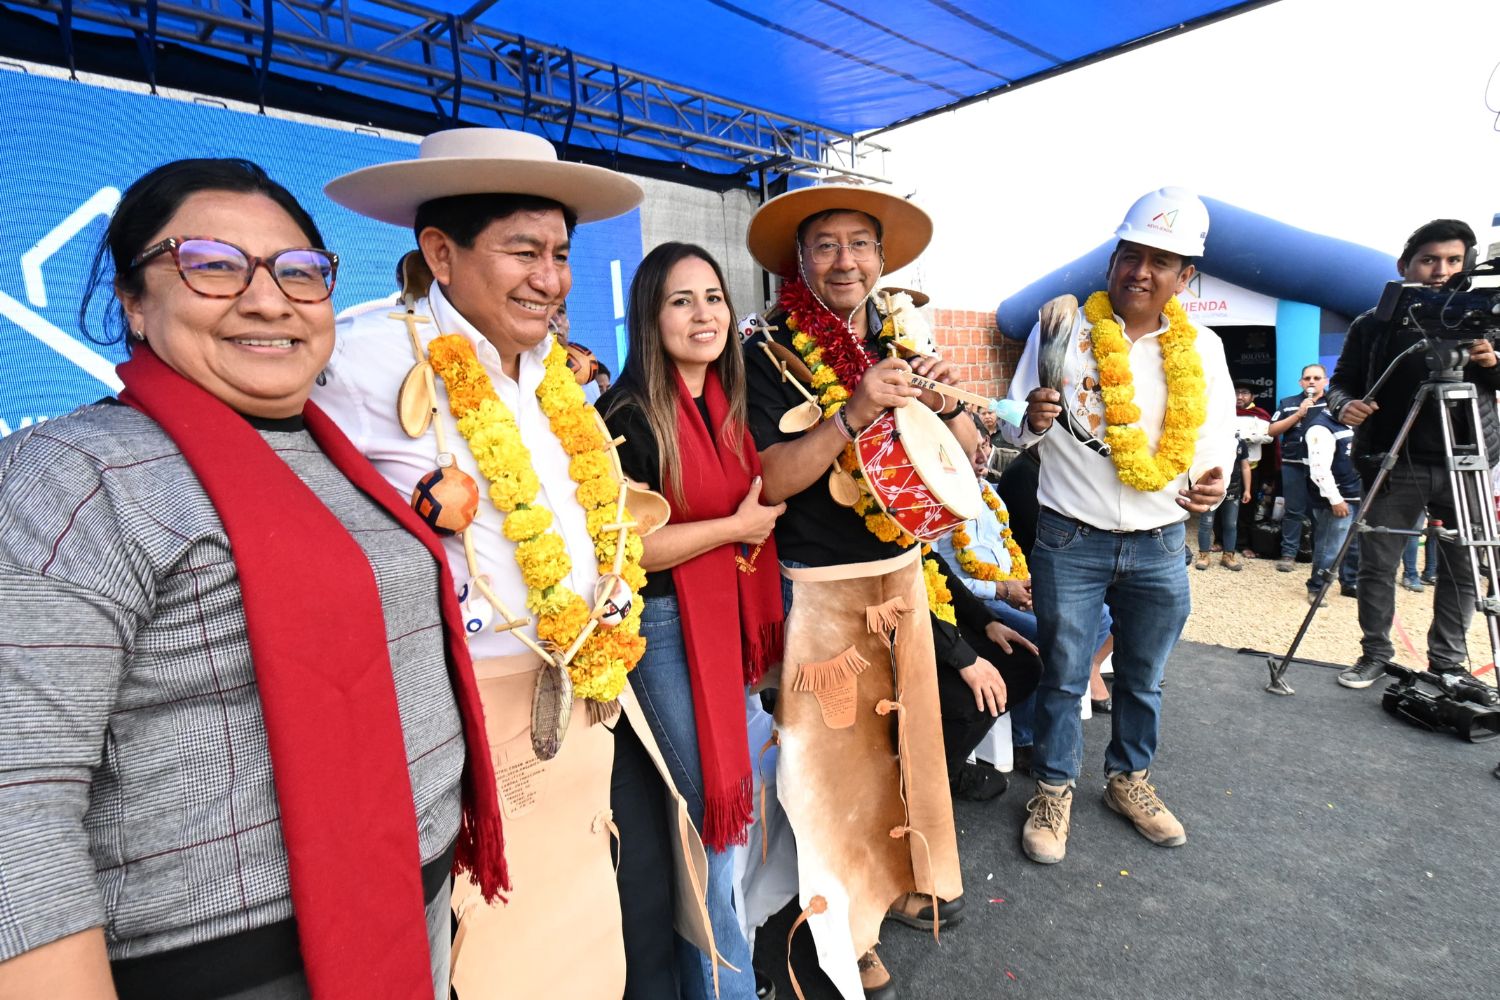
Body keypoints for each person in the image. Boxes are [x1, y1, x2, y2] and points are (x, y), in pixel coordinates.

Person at [0, 158, 506, 999]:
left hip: (401, 919)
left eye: (299, 272)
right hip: (232, 964)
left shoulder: (332, 451)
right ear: (132, 298)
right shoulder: (76, 473)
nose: (268, 299)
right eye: (211, 263)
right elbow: (16, 798)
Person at [316, 128, 716, 998]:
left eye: (563, 254)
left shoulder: (554, 377)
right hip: (457, 725)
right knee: (492, 948)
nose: (551, 278)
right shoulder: (354, 361)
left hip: (588, 700)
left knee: (612, 917)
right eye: (524, 251)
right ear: (439, 253)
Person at [742, 183, 967, 1000]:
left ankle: (904, 880)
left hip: (902, 578)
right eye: (826, 245)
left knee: (903, 753)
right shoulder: (765, 348)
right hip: (821, 595)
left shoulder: (898, 338)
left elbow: (960, 464)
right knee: (829, 779)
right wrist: (853, 414)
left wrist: (944, 406)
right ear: (800, 261)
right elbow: (770, 478)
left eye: (860, 245)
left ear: (883, 258)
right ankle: (845, 933)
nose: (845, 261)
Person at [1005, 186, 1235, 865]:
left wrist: (1213, 482)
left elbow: (1215, 437)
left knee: (1143, 676)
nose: (1141, 271)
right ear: (1113, 260)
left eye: (1161, 261)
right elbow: (1018, 425)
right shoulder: (1060, 330)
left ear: (1184, 277)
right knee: (1066, 674)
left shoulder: (1206, 350)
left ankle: (1128, 780)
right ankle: (1053, 789)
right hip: (1068, 537)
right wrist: (1031, 419)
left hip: (1162, 541)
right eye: (1131, 255)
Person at [598, 242, 785, 1000]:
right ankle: (724, 987)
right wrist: (732, 531)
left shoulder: (724, 405)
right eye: (681, 300)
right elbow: (629, 548)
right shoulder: (628, 413)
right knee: (710, 826)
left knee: (727, 829)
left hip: (725, 635)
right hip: (671, 635)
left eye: (713, 296)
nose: (702, 313)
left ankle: (717, 975)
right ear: (650, 313)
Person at [1323, 218, 1500, 690]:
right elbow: (1340, 384)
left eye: (1453, 260)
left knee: (1462, 568)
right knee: (1378, 564)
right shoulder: (1372, 323)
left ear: (1466, 265)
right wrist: (1345, 406)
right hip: (1392, 459)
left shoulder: (1488, 319)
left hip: (1466, 464)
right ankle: (1375, 653)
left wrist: (1492, 361)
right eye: (1429, 260)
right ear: (1406, 265)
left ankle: (1447, 663)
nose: (1440, 270)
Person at [1268, 364, 1329, 571]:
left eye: (1317, 378)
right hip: (1293, 464)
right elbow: (1272, 430)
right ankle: (1288, 555)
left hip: (1323, 467)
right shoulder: (1289, 403)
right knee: (1293, 511)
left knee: (1321, 513)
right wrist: (1298, 414)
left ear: (1325, 381)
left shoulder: (1334, 403)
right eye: (1307, 378)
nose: (1312, 381)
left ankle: (1320, 558)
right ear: (1300, 382)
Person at [1303, 404, 1363, 603]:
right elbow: (1319, 469)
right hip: (1337, 500)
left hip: (1356, 494)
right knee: (1330, 547)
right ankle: (1317, 588)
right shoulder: (1321, 428)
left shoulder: (1350, 424)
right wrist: (1335, 499)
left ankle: (1350, 582)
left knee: (1354, 544)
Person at [1194, 433, 1251, 570]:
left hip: (1233, 490)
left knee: (1231, 525)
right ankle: (1203, 555)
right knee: (1206, 524)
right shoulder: (1208, 440)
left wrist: (1247, 490)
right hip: (1210, 489)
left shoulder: (1240, 442)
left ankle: (1228, 555)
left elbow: (1245, 467)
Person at [1234, 381, 1276, 556]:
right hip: (1227, 467)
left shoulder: (1259, 415)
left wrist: (1249, 438)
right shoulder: (1224, 412)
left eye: (1244, 393)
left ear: (1252, 397)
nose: (1239, 397)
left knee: (1247, 505)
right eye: (1236, 393)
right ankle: (1219, 540)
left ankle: (1243, 544)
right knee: (1221, 504)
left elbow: (1270, 437)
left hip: (1250, 467)